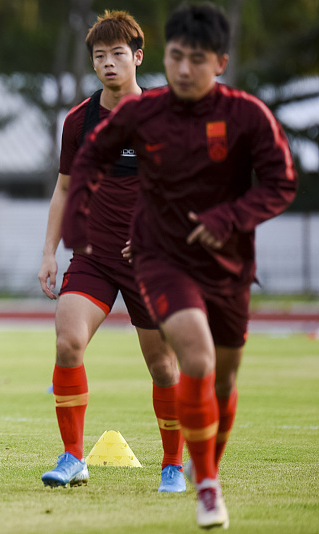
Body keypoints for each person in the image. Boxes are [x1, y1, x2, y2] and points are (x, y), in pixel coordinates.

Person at [62, 4, 297, 529]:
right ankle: (207, 485)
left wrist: (231, 215)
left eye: (196, 59)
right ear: (162, 58)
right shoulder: (139, 113)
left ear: (220, 62)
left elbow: (282, 183)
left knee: (222, 377)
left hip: (226, 266)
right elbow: (88, 162)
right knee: (194, 353)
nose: (183, 69)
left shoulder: (247, 116)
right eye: (175, 57)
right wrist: (82, 231)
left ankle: (200, 461)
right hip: (161, 259)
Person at [38, 10, 185, 493]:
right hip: (94, 255)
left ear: (137, 57)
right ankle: (73, 457)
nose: (108, 63)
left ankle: (172, 464)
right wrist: (48, 253)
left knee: (163, 366)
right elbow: (63, 190)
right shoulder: (79, 121)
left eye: (117, 54)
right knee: (67, 342)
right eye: (99, 56)